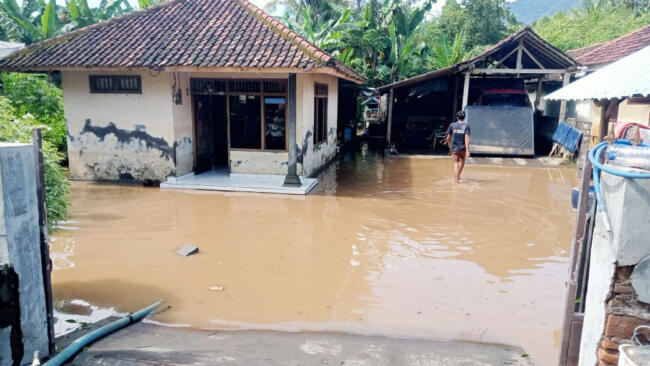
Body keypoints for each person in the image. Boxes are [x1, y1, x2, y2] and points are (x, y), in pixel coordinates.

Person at [446, 111, 471, 183]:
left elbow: (448, 137)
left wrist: (449, 144)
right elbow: (467, 139)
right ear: (464, 118)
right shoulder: (467, 126)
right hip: (463, 148)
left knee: (455, 163)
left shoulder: (452, 125)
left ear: (457, 117)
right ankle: (458, 176)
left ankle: (456, 182)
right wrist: (467, 151)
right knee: (462, 161)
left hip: (454, 148)